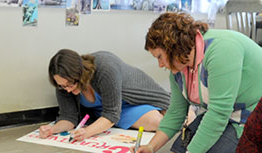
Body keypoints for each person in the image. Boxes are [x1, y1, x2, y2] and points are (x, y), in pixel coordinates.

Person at [137, 12, 262, 153]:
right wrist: (151, 147)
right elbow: (175, 112)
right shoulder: (179, 67)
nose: (160, 64)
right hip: (228, 114)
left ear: (173, 46)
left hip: (255, 114)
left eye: (160, 56)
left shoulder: (221, 50)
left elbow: (219, 112)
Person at [41, 49, 171, 141]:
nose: (67, 90)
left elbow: (111, 113)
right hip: (110, 112)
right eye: (62, 86)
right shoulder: (63, 84)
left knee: (163, 121)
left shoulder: (104, 66)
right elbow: (68, 118)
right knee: (155, 122)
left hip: (131, 101)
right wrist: (52, 129)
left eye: (70, 84)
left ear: (79, 74)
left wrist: (87, 132)